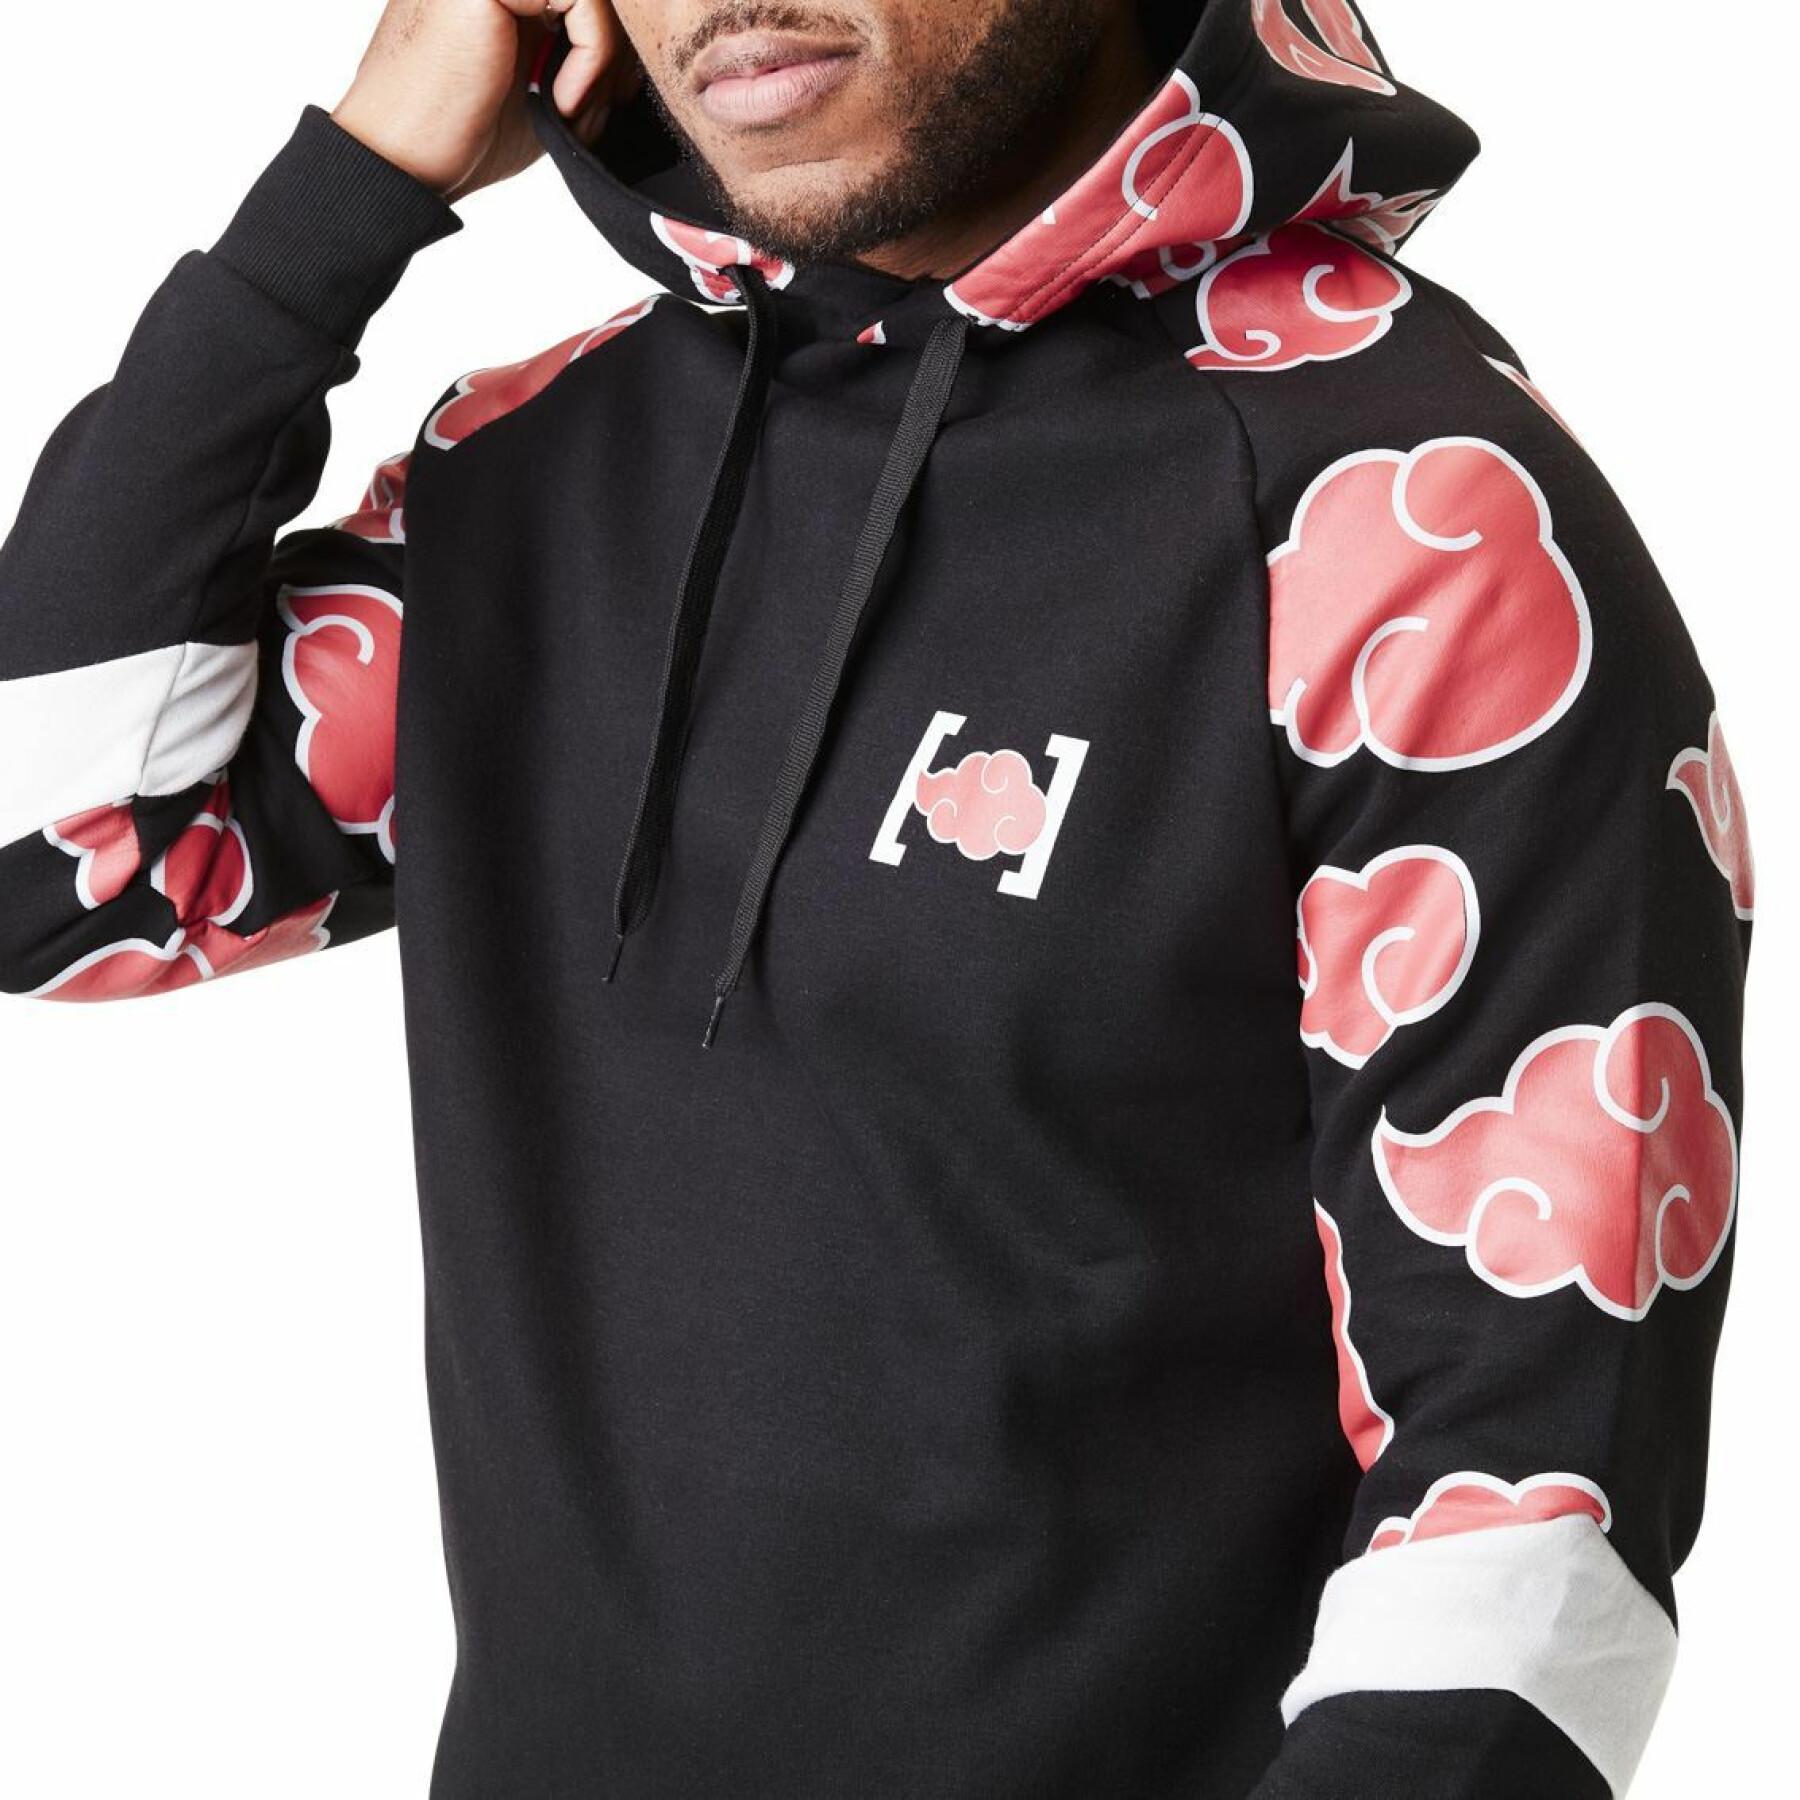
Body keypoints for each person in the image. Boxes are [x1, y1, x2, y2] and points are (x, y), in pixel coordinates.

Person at [0, 1, 1754, 1793]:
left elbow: (1526, 1519)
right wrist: (351, 185)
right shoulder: (532, 465)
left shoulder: (1414, 518)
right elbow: (55, 862)